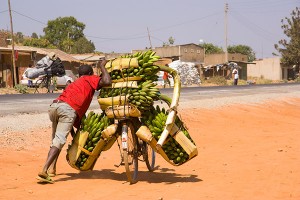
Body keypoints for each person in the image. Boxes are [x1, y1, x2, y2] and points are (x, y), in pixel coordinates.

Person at [36, 58, 111, 184]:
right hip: (67, 110)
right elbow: (107, 81)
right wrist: (102, 66)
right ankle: (43, 170)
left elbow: (71, 117)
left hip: (55, 106)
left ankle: (52, 168)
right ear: (89, 74)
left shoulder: (74, 83)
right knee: (59, 140)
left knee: (56, 139)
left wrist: (74, 137)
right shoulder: (88, 79)